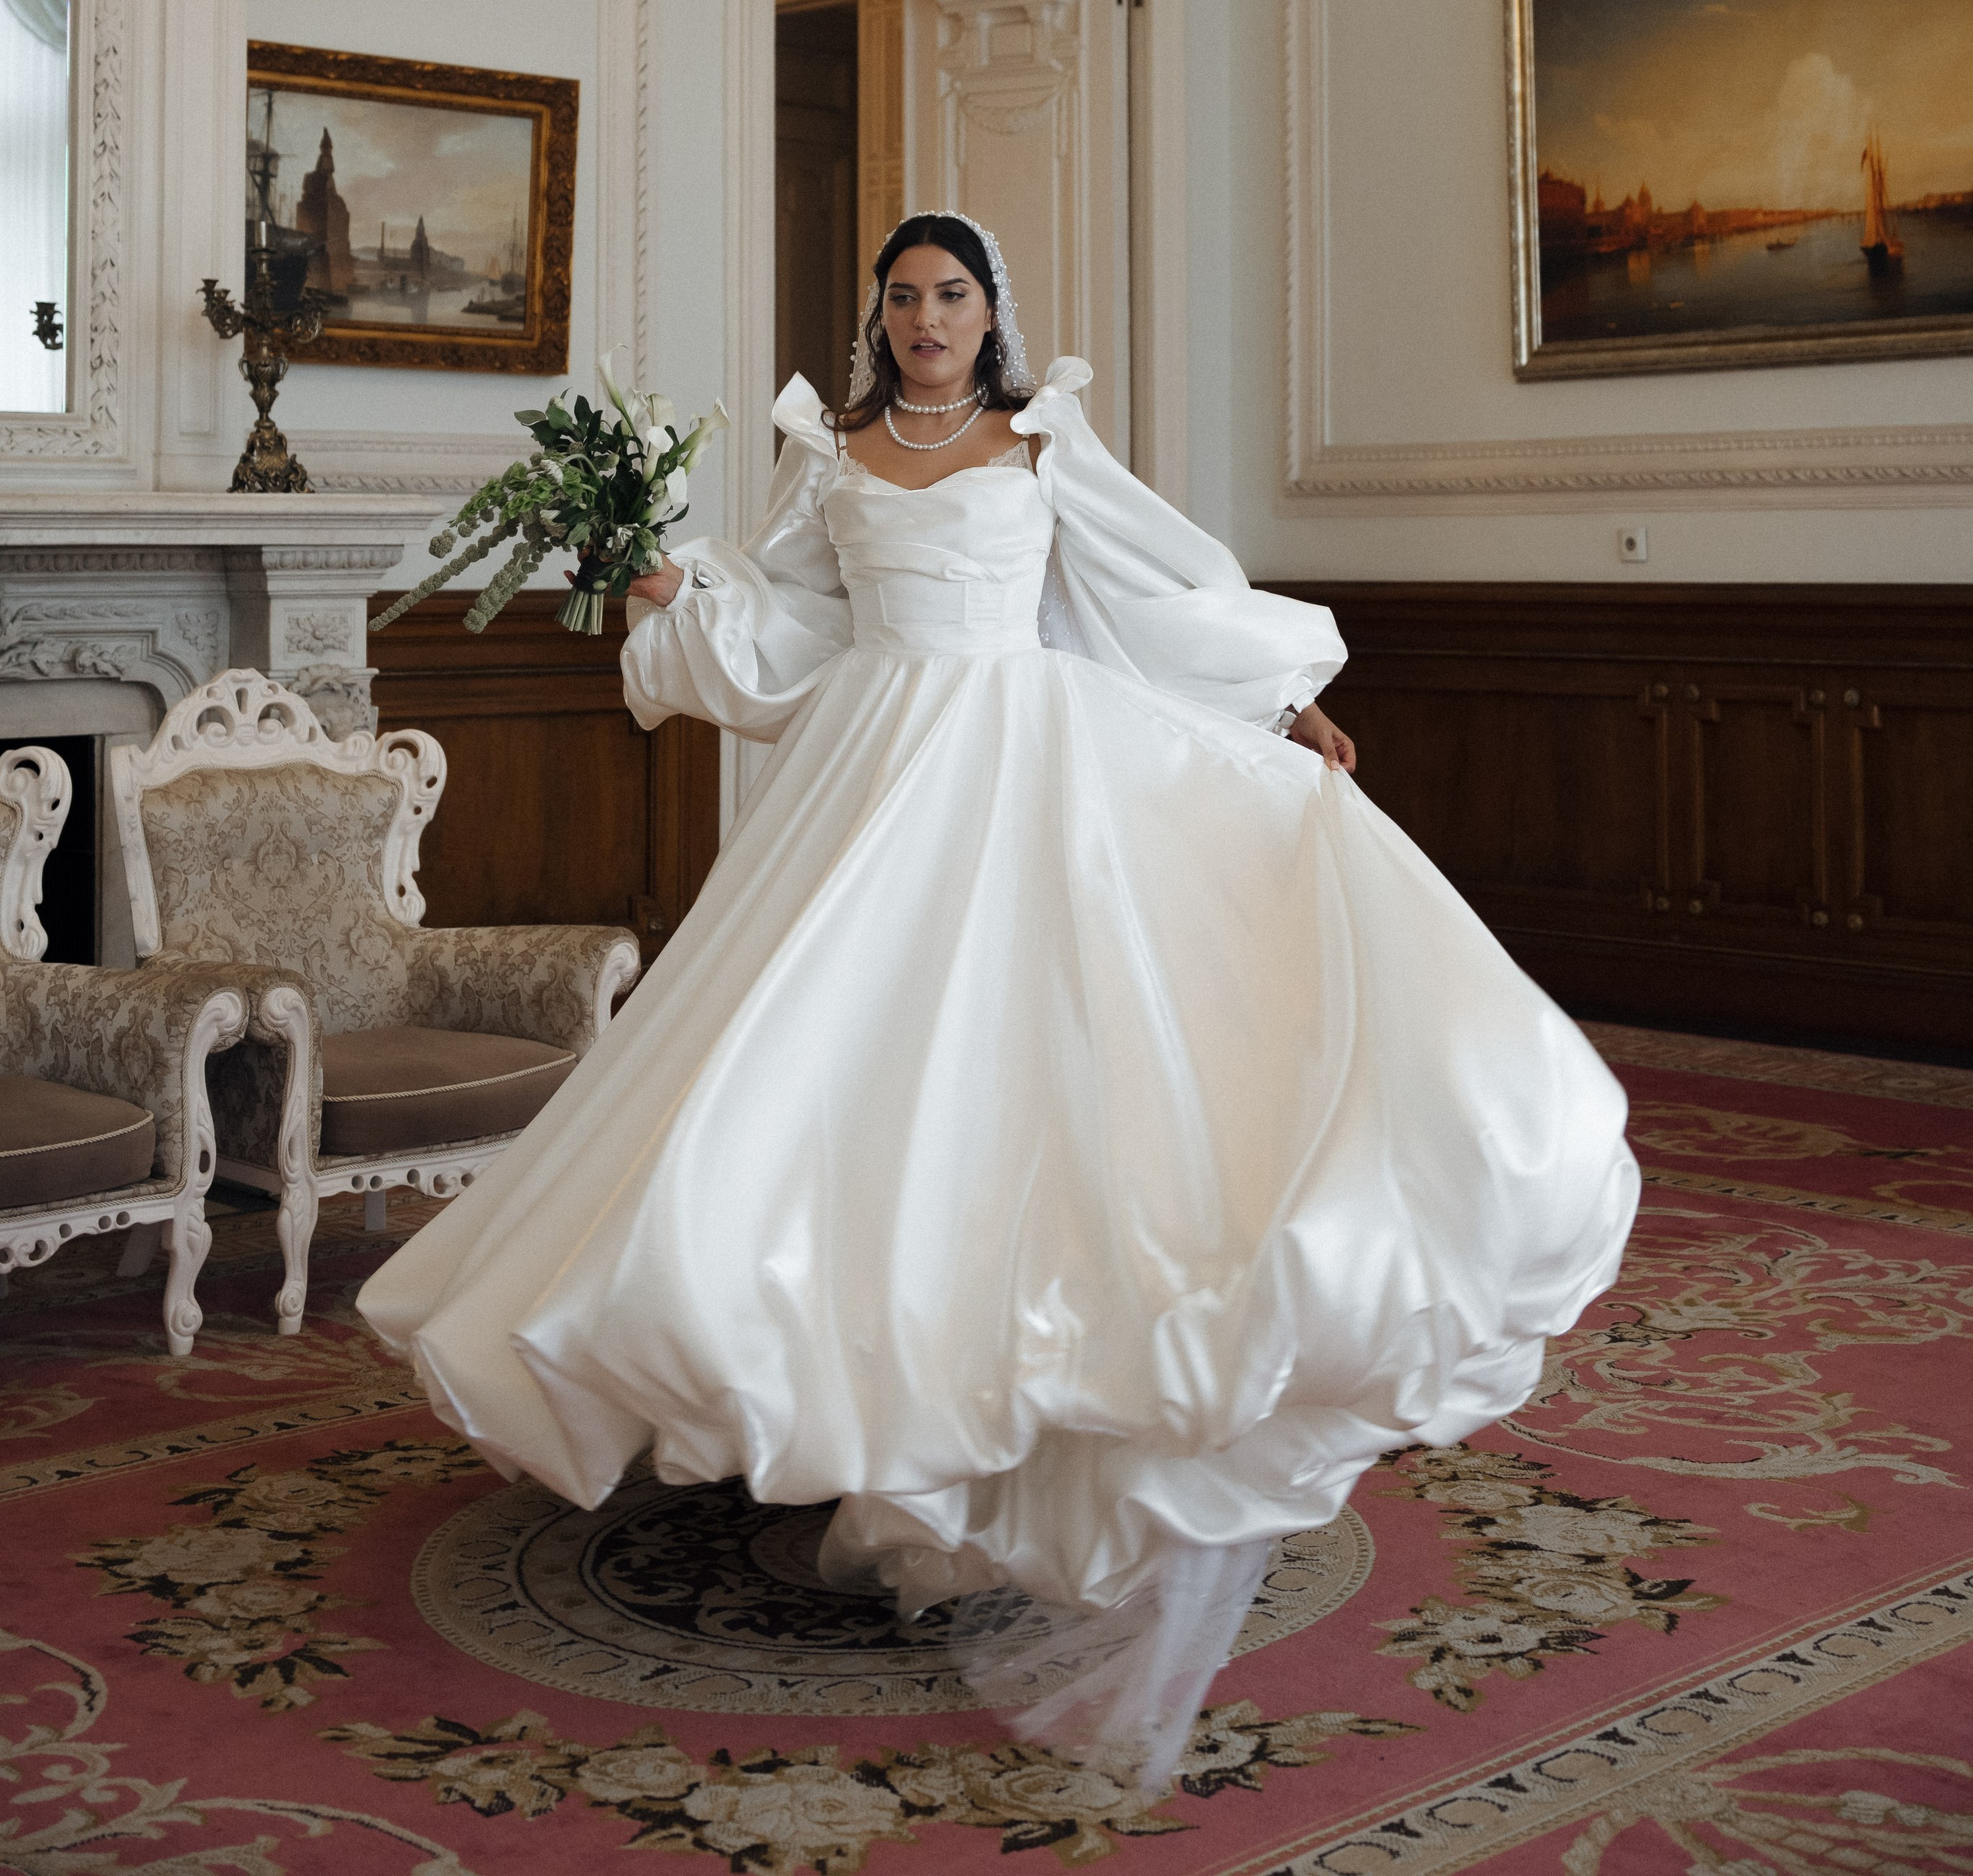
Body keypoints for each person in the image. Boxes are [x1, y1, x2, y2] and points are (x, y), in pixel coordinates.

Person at [359, 212, 1638, 1790]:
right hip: (865, 780)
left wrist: (1283, 702)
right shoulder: (822, 454)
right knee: (834, 1082)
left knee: (1034, 1082)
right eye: (900, 296)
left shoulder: (1043, 441)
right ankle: (864, 1405)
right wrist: (655, 584)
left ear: (987, 313)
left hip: (1029, 771)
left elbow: (1150, 592)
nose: (922, 319)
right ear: (877, 316)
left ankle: (1014, 1435)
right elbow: (773, 640)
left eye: (947, 295)